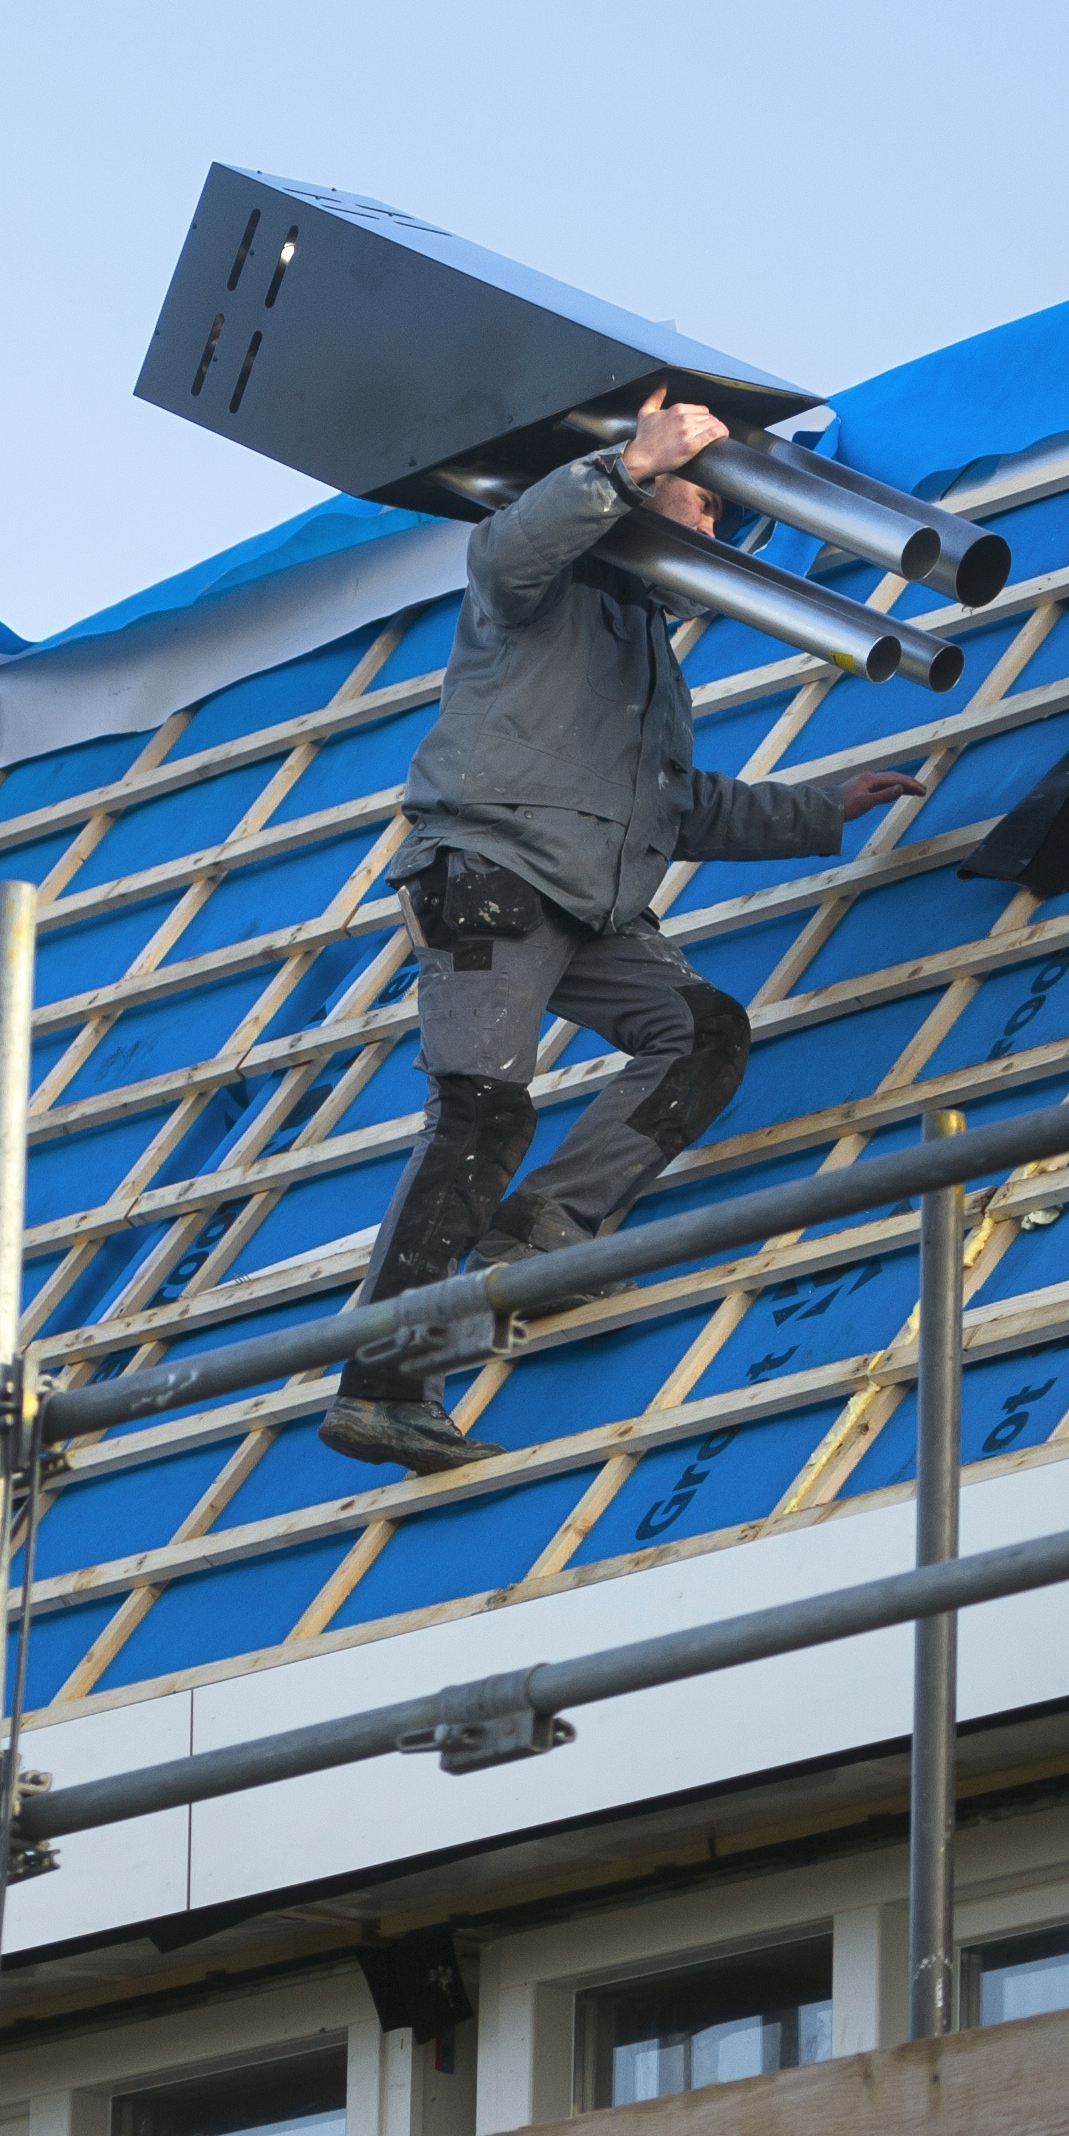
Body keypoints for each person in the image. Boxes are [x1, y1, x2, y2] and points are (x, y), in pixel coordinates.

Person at [320, 395, 928, 1474]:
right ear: (641, 492)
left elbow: (670, 805)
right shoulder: (549, 587)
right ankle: (386, 1383)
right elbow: (507, 549)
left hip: (592, 901)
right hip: (493, 874)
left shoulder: (649, 652)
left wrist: (820, 810)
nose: (714, 534)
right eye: (702, 505)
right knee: (481, 1114)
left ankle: (546, 1227)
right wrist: (627, 462)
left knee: (702, 1034)